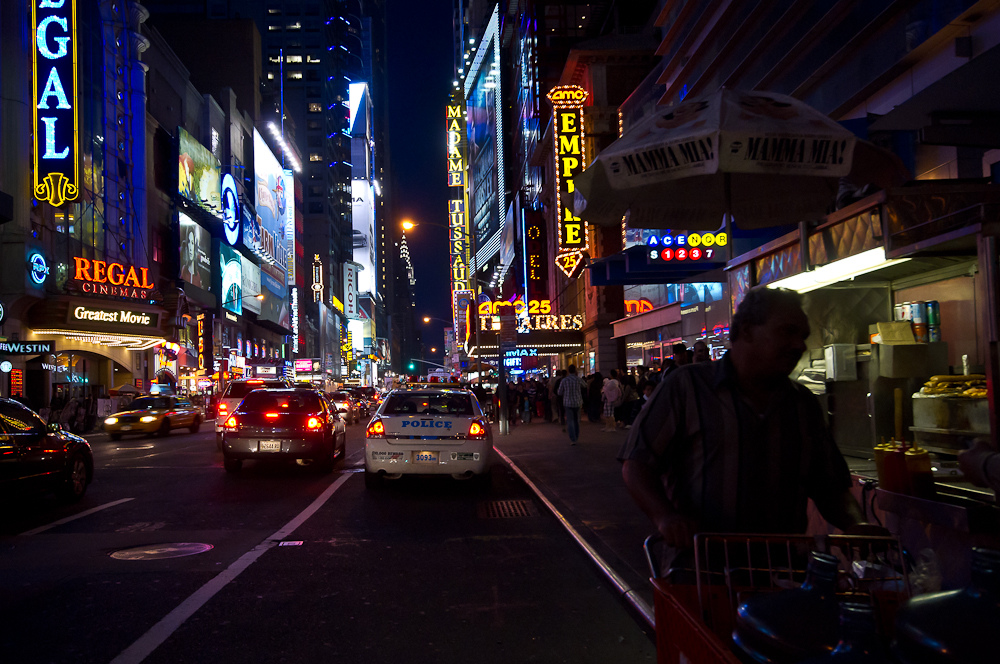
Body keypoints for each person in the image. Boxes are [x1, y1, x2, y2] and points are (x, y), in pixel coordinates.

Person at [619, 287, 875, 575]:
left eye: (802, 336)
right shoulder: (686, 388)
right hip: (701, 574)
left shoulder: (802, 403)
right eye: (787, 332)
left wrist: (858, 525)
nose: (799, 346)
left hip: (784, 576)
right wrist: (664, 517)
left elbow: (829, 485)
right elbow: (637, 464)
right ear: (746, 331)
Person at [557, 364, 585, 444]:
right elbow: (585, 385)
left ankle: (573, 439)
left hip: (568, 402)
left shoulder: (564, 380)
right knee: (576, 420)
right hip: (577, 402)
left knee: (570, 421)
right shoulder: (578, 379)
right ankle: (576, 436)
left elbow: (559, 392)